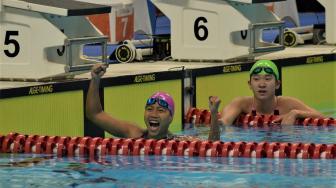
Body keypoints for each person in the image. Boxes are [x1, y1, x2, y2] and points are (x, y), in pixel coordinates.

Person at [218, 59, 325, 126]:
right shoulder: (241, 103)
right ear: (250, 84)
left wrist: (295, 113)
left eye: (268, 79)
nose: (262, 84)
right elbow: (224, 122)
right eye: (256, 79)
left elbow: (322, 117)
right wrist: (214, 115)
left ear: (277, 84)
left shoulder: (288, 104)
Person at [86, 63, 176, 139]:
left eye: (160, 110)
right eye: (149, 109)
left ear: (170, 117)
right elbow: (95, 114)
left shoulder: (178, 143)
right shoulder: (133, 133)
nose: (153, 114)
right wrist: (95, 79)